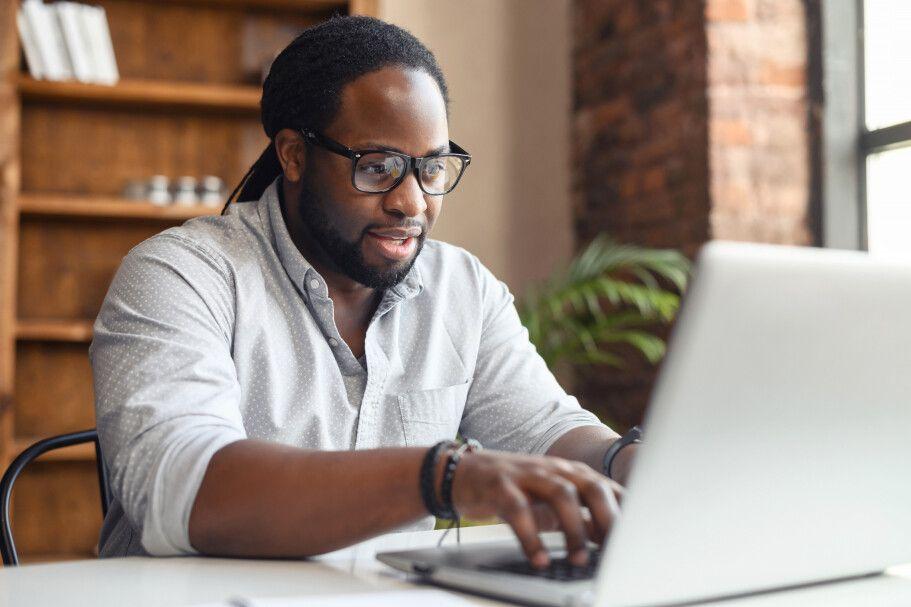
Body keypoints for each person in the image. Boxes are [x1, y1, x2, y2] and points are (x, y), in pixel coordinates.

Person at [90, 15, 637, 570]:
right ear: (293, 155)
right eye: (378, 168)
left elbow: (544, 430)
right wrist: (442, 478)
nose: (413, 202)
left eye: (431, 168)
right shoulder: (180, 274)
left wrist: (625, 460)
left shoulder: (461, 289)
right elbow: (182, 489)